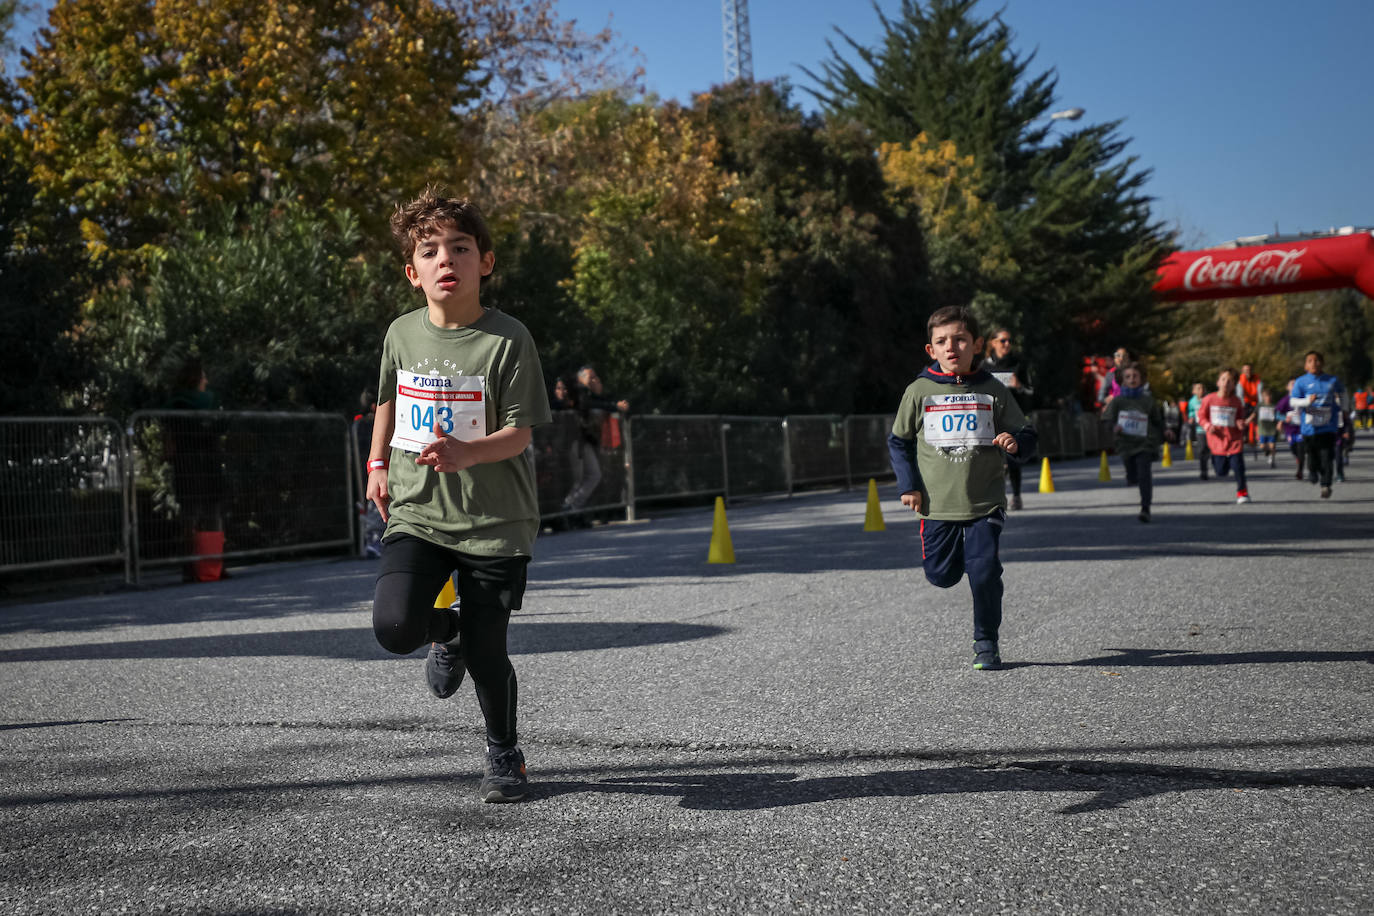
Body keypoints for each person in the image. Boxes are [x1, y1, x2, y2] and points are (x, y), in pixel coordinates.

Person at [366, 189, 551, 803]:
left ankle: (505, 754)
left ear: (485, 263)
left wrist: (469, 452)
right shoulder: (400, 333)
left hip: (494, 519)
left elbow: (520, 432)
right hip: (418, 510)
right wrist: (376, 461)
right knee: (395, 626)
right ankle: (446, 635)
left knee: (490, 649)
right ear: (413, 272)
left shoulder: (507, 340)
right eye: (431, 250)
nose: (447, 259)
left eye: (461, 248)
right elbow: (388, 399)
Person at [888, 305, 1037, 671]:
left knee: (984, 570)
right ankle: (952, 569)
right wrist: (909, 485)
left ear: (977, 345)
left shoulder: (993, 390)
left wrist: (1015, 444)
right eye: (942, 341)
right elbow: (899, 441)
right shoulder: (919, 391)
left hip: (984, 501)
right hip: (937, 506)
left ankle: (986, 640)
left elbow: (1026, 432)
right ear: (931, 350)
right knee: (942, 575)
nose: (951, 347)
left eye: (960, 339)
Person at [166, 357, 228, 581]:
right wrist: (210, 429)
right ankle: (203, 566)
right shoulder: (195, 402)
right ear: (196, 378)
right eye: (203, 376)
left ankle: (201, 566)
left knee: (201, 514)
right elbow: (215, 427)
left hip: (195, 462)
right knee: (202, 514)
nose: (206, 380)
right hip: (199, 462)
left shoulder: (182, 402)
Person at [560, 364, 630, 523]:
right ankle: (569, 508)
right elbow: (591, 404)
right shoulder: (579, 393)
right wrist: (614, 406)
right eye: (591, 377)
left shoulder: (588, 394)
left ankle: (571, 508)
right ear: (581, 379)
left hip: (584, 442)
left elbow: (600, 401)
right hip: (575, 441)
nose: (595, 380)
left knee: (592, 475)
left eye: (596, 377)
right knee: (583, 477)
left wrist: (615, 405)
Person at [1104, 362, 1167, 522]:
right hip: (1125, 445)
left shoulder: (1148, 400)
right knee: (1133, 476)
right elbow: (1107, 419)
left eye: (1135, 376)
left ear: (1142, 379)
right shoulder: (1118, 401)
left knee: (1145, 475)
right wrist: (1114, 427)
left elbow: (1157, 420)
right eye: (1128, 377)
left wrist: (1166, 430)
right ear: (1122, 380)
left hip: (1145, 443)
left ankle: (1145, 508)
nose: (1132, 379)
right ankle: (1131, 476)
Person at [982, 327, 1033, 510]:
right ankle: (992, 497)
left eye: (1009, 340)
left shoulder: (1019, 364)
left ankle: (1017, 496)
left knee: (1012, 456)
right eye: (1002, 340)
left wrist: (1019, 386)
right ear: (992, 343)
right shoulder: (984, 367)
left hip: (1013, 417)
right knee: (991, 458)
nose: (1007, 344)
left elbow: (1031, 391)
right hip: (990, 418)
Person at [1289, 350, 1345, 499]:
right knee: (1313, 458)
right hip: (1309, 429)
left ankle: (1326, 485)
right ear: (1305, 365)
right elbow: (1293, 401)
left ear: (1323, 363)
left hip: (1328, 426)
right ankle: (1313, 472)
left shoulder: (1332, 380)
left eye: (1317, 360)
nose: (1314, 363)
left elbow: (1343, 393)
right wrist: (1307, 401)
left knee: (1327, 457)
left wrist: (1344, 408)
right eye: (1310, 361)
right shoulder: (1301, 382)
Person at [1198, 368, 1251, 505]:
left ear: (1234, 385)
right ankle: (1221, 465)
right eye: (1223, 379)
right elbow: (1201, 416)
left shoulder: (1236, 401)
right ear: (1218, 382)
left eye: (1230, 381)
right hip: (1217, 442)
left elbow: (1240, 417)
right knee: (1221, 472)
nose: (1226, 383)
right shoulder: (1209, 399)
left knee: (1238, 466)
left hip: (1234, 440)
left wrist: (1240, 423)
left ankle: (1242, 492)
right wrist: (1208, 426)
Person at [354, 389, 384, 558]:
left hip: (367, 472)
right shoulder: (367, 424)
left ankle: (374, 540)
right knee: (375, 506)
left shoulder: (358, 424)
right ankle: (374, 541)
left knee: (373, 506)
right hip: (374, 471)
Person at [1275, 378, 1305, 481]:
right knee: (1294, 449)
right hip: (1290, 430)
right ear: (1287, 387)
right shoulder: (1285, 400)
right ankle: (1299, 459)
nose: (1294, 386)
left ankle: (1300, 470)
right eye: (1291, 384)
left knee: (1301, 450)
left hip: (1301, 429)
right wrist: (1283, 419)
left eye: (1296, 384)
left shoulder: (1302, 398)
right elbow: (1277, 414)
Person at [1186, 382, 1211, 479]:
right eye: (1198, 388)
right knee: (1201, 450)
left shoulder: (1208, 399)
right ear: (1194, 391)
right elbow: (1191, 412)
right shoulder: (1192, 402)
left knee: (1209, 449)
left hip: (1209, 429)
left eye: (1202, 388)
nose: (1201, 390)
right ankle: (1203, 471)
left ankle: (1213, 461)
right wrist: (1191, 418)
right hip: (1199, 429)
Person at [1236, 363, 1262, 450]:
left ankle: (1259, 435)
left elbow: (1260, 393)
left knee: (1258, 416)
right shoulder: (1240, 381)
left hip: (1255, 402)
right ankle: (1243, 436)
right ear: (1243, 371)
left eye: (1250, 370)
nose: (1248, 372)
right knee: (1243, 416)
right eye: (1246, 370)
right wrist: (1242, 407)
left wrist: (1260, 405)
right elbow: (1240, 395)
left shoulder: (1257, 379)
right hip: (1245, 403)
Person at [1254, 387, 1279, 468]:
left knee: (1272, 446)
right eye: (1265, 396)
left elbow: (1278, 416)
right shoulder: (1260, 405)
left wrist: (1280, 423)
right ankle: (1267, 452)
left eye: (1269, 396)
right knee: (1262, 446)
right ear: (1263, 397)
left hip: (1272, 429)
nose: (1268, 398)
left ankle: (1272, 459)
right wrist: (1248, 420)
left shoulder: (1274, 406)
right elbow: (1254, 414)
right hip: (1262, 430)